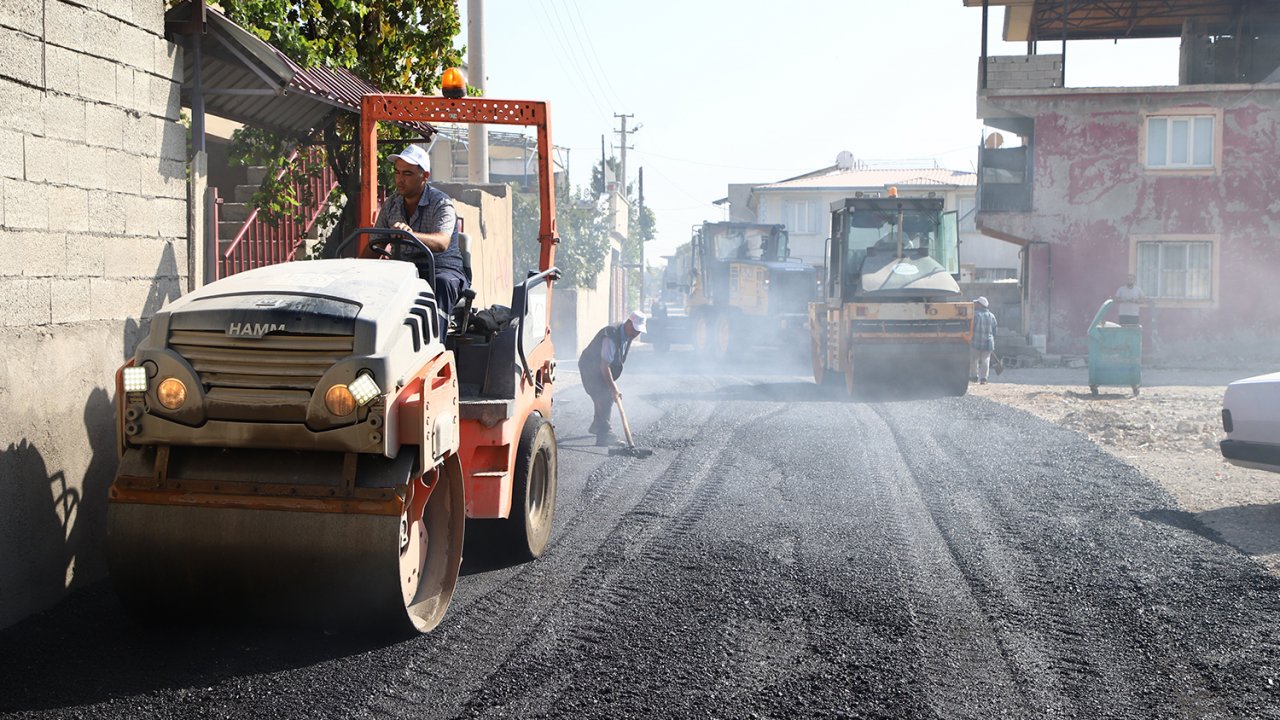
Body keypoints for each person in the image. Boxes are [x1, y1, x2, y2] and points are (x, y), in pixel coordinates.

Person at [373, 144, 470, 316]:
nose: (400, 179)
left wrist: (410, 236)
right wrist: (356, 271)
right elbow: (374, 246)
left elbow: (442, 242)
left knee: (441, 283)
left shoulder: (442, 203)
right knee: (377, 286)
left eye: (407, 174)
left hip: (442, 269)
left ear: (424, 176)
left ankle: (436, 339)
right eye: (397, 172)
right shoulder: (390, 204)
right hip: (404, 271)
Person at [579, 311, 646, 446]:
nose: (636, 334)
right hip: (590, 368)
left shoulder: (626, 335)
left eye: (638, 331)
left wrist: (612, 387)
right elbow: (604, 365)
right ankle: (605, 434)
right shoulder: (611, 335)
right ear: (628, 323)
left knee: (604, 396)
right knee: (605, 396)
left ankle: (598, 424)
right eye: (634, 329)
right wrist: (614, 388)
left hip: (599, 369)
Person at [971, 296, 997, 385]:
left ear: (980, 305)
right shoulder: (992, 316)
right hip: (988, 342)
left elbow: (971, 328)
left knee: (974, 359)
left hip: (976, 341)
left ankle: (974, 376)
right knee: (986, 360)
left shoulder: (975, 315)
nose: (975, 305)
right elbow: (994, 330)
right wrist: (993, 339)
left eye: (977, 303)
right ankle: (983, 379)